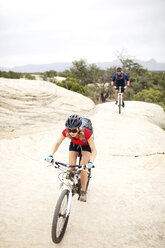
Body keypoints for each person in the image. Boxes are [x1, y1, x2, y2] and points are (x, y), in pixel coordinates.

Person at [45, 114, 97, 202]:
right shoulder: (67, 131)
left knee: (83, 168)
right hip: (74, 144)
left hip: (86, 146)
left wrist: (91, 162)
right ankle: (69, 185)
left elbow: (94, 150)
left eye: (74, 131)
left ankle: (83, 191)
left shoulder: (86, 133)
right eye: (69, 130)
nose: (71, 133)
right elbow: (57, 143)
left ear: (79, 128)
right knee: (71, 167)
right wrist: (50, 155)